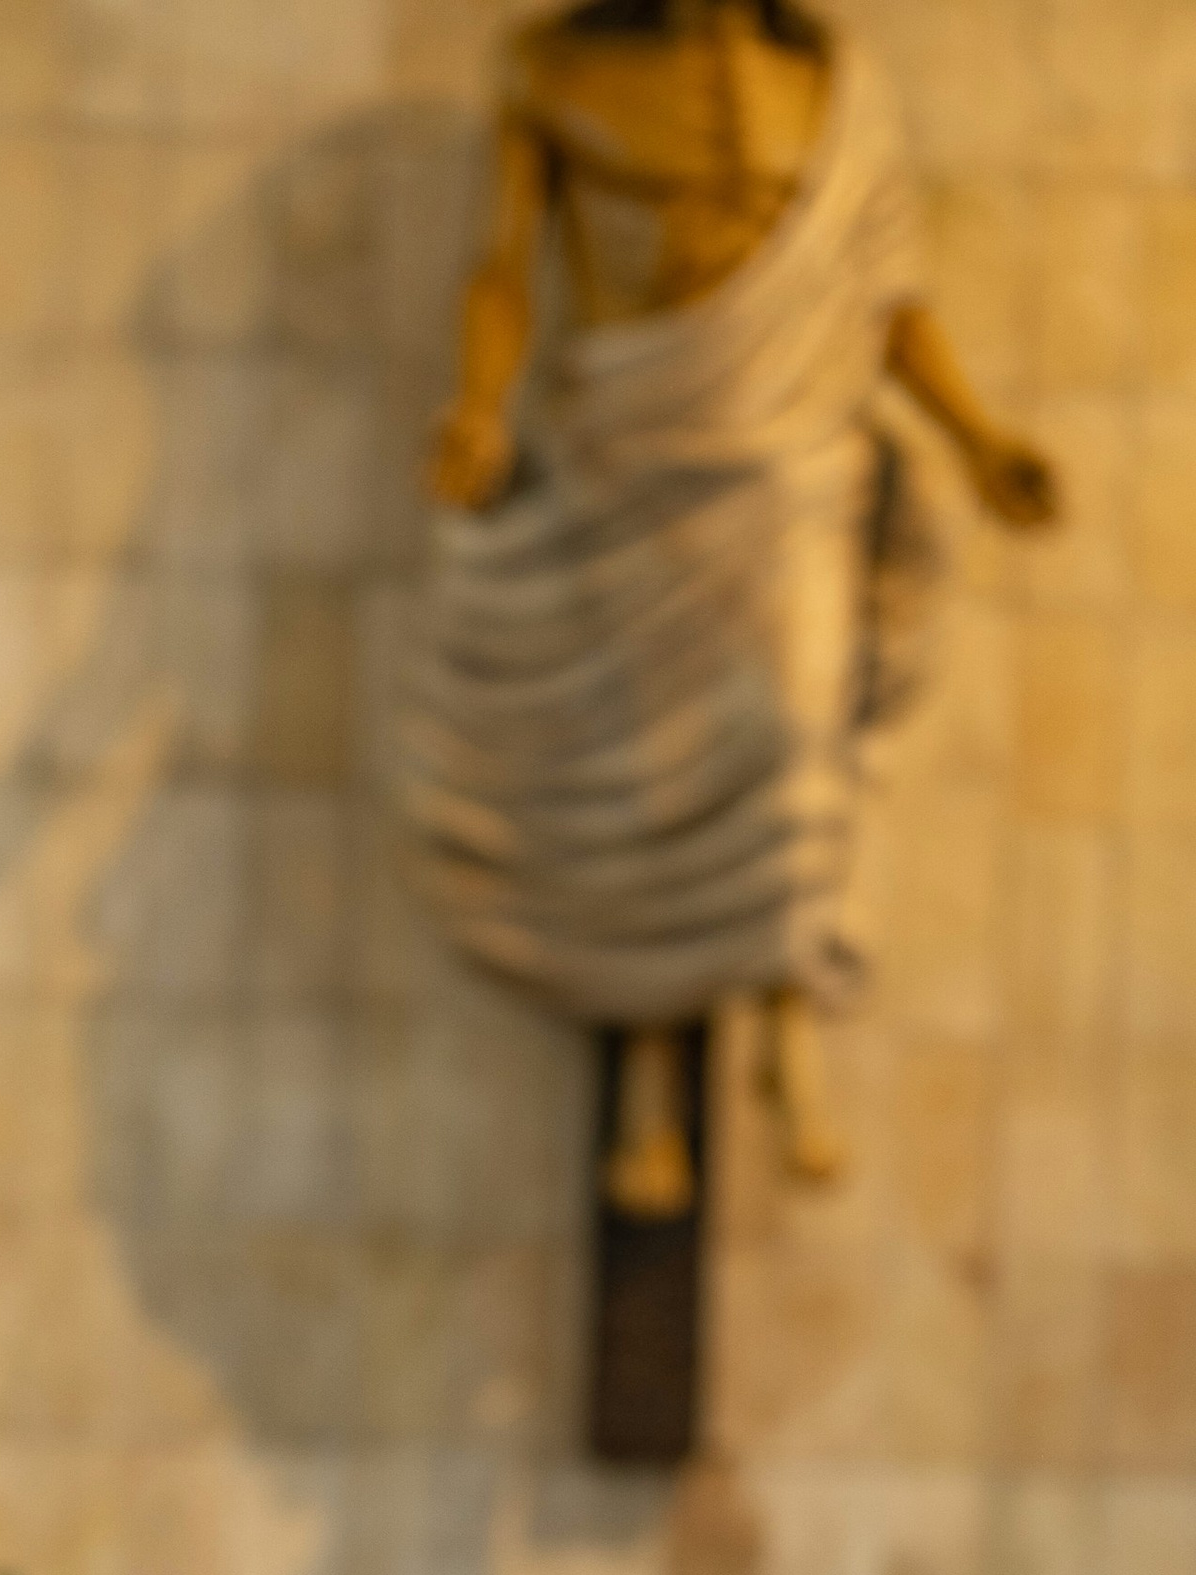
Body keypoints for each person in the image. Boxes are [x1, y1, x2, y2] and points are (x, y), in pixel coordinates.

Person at [409, 0, 1059, 1214]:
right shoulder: (557, 71)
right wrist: (480, 409)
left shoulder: (833, 89)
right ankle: (643, 1079)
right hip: (637, 444)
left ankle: (784, 1019)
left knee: (793, 730)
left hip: (789, 462)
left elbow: (882, 298)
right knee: (644, 775)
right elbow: (502, 268)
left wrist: (974, 439)